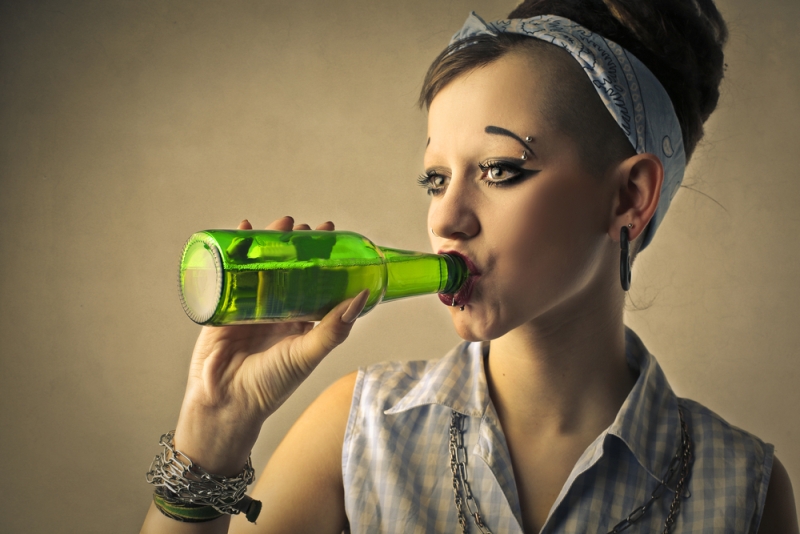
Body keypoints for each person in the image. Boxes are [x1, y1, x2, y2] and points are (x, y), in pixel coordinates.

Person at [140, 1, 799, 532]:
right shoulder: (360, 430)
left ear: (629, 197)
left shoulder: (745, 490)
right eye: (436, 179)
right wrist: (213, 433)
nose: (446, 219)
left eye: (500, 171)